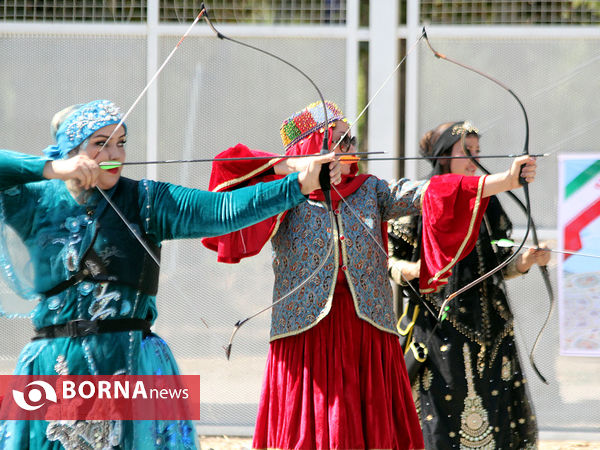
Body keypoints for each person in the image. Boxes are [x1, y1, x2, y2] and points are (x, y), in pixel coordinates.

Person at [0, 99, 340, 449]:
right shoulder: (34, 202)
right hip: (53, 366)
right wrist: (53, 169)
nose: (115, 152)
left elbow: (222, 210)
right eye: (101, 143)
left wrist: (298, 183)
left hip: (130, 361)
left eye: (121, 142)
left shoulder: (147, 200)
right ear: (73, 149)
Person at [202, 102, 539, 450]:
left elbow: (431, 192)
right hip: (306, 333)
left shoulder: (369, 189)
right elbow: (228, 172)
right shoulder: (284, 194)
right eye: (339, 140)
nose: (349, 148)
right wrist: (296, 170)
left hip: (367, 333)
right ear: (311, 147)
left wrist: (507, 179)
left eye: (351, 140)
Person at [388, 121, 549, 449]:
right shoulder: (419, 199)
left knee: (497, 419)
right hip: (439, 330)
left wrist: (528, 261)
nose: (475, 157)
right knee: (440, 422)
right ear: (443, 156)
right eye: (467, 150)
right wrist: (414, 269)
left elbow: (502, 265)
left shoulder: (487, 201)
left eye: (478, 150)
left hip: (492, 328)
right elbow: (387, 261)